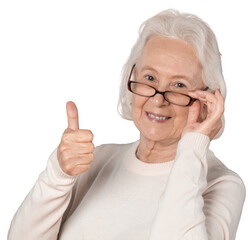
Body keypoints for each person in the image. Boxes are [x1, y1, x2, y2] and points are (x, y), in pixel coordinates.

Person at [8, 9, 245, 240]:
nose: (158, 99)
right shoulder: (99, 159)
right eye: (150, 78)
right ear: (132, 79)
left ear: (207, 102)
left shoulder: (222, 184)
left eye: (179, 86)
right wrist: (59, 174)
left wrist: (193, 148)